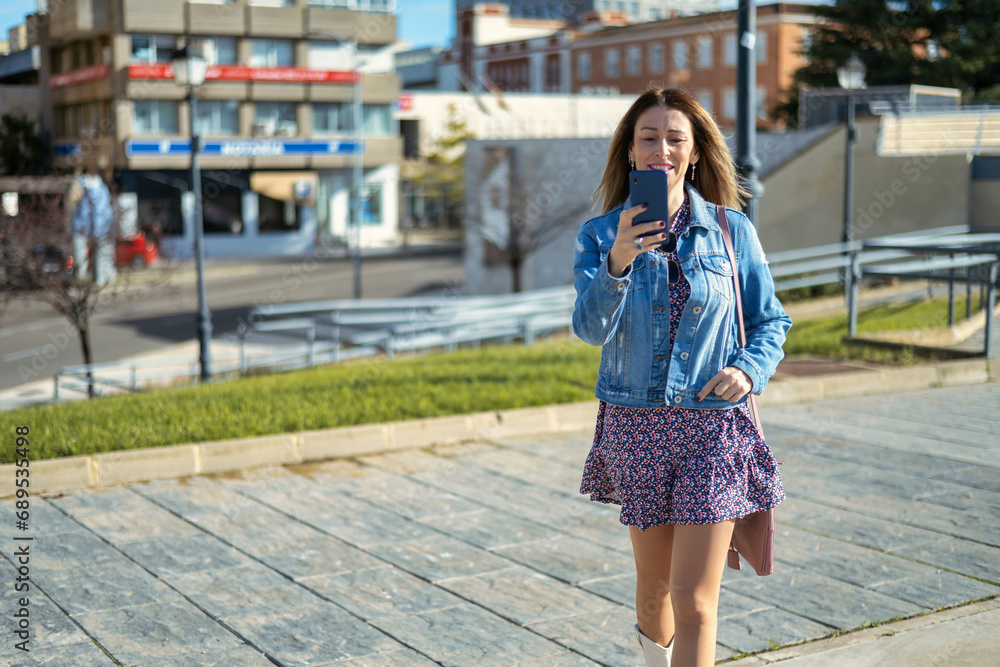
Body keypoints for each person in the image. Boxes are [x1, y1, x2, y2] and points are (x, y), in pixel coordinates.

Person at [571, 87, 791, 667]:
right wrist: (618, 261)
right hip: (636, 427)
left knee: (695, 600)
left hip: (712, 432)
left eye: (676, 139)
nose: (661, 149)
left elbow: (771, 320)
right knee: (653, 595)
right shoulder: (598, 236)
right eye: (649, 137)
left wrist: (749, 368)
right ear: (630, 151)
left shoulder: (731, 230)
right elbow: (591, 329)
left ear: (694, 153)